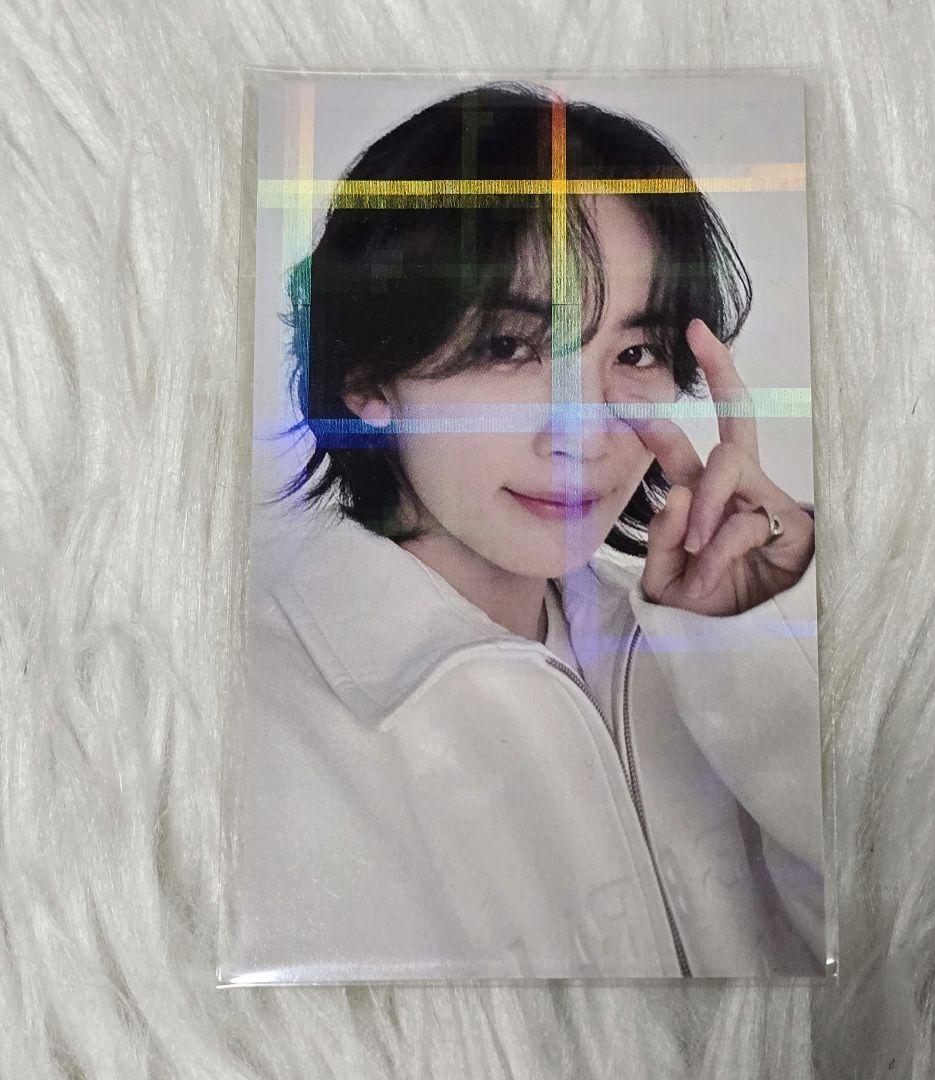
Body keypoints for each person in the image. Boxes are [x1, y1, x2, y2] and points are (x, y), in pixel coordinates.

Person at [221, 81, 824, 982]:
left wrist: (758, 638)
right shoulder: (254, 725)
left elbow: (911, 972)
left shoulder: (693, 637)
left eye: (635, 353)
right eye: (507, 346)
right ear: (369, 381)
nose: (584, 435)